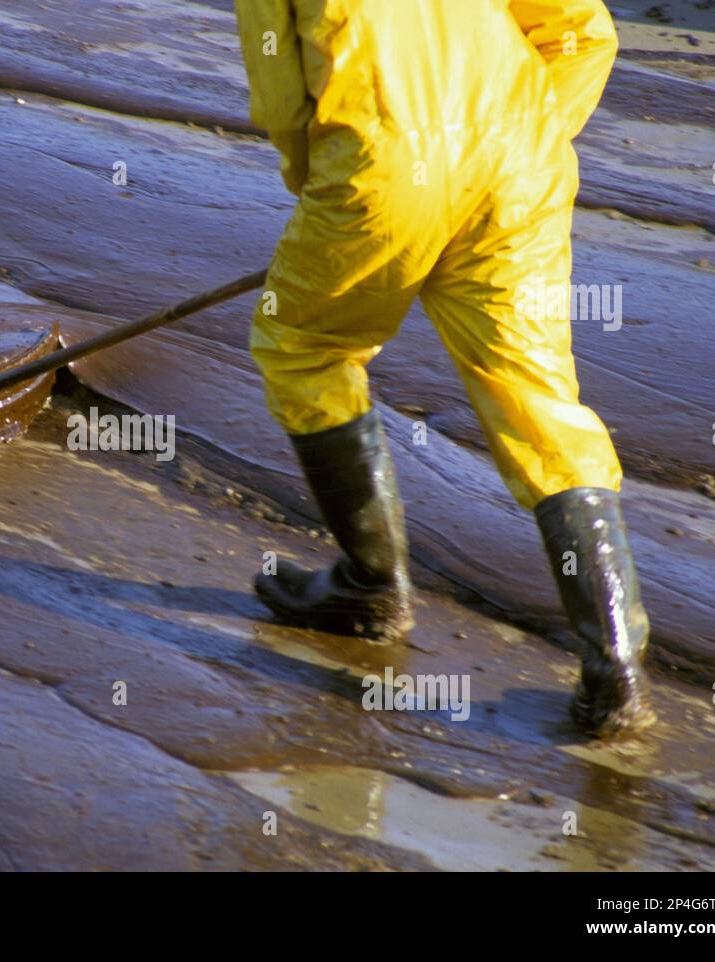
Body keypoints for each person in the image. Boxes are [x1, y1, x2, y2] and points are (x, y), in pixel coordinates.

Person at [235, 0, 652, 737]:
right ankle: (615, 663)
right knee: (537, 400)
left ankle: (370, 586)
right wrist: (530, 138)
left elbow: (281, 101)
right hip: (519, 163)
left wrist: (322, 186)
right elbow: (585, 32)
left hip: (381, 167)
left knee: (301, 347)